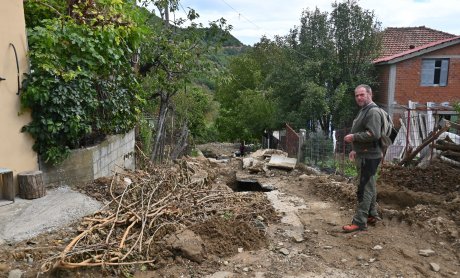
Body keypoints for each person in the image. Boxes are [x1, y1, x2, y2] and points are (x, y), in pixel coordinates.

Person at [342, 84, 382, 232]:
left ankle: (360, 221)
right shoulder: (364, 111)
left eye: (362, 94)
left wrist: (353, 137)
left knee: (364, 188)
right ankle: (372, 214)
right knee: (369, 185)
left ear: (370, 94)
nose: (359, 97)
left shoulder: (372, 112)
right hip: (364, 154)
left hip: (369, 156)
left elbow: (373, 134)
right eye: (357, 95)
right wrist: (355, 150)